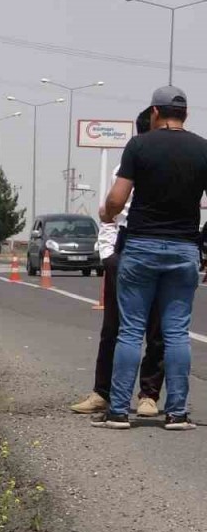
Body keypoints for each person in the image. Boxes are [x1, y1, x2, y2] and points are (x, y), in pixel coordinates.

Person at [96, 86, 207, 431]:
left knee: (130, 331)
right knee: (176, 332)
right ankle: (176, 413)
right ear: (185, 115)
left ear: (155, 114)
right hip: (184, 249)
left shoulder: (139, 145)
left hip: (141, 246)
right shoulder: (203, 149)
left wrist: (107, 214)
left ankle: (117, 412)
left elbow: (117, 198)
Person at [71, 107, 166, 417]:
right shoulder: (126, 166)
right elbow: (110, 211)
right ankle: (103, 392)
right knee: (114, 326)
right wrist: (109, 256)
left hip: (159, 248)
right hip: (125, 251)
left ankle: (148, 395)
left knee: (156, 328)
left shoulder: (171, 166)